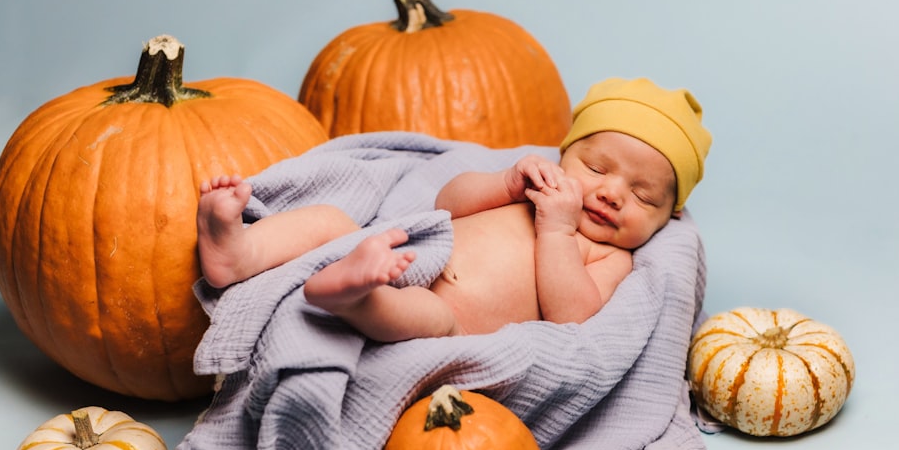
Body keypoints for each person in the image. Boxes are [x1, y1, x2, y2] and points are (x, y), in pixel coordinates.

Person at [196, 77, 712, 342]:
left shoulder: (609, 257)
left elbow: (572, 315)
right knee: (334, 223)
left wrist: (557, 232)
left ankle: (354, 298)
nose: (613, 194)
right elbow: (449, 205)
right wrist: (504, 184)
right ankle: (238, 251)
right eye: (597, 168)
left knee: (434, 320)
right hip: (409, 252)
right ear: (563, 155)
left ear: (668, 217)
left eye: (644, 197)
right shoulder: (530, 190)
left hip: (455, 316)